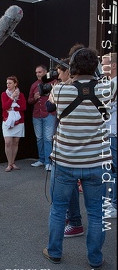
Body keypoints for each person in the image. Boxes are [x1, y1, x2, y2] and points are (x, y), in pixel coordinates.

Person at [42, 45, 113, 270]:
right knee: (96, 212)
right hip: (96, 163)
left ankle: (54, 252)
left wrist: (69, 80)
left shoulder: (60, 90)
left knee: (58, 209)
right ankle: (95, 258)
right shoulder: (107, 90)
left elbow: (48, 106)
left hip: (65, 163)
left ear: (72, 68)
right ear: (96, 67)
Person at [48, 58, 84, 237]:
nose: (57, 75)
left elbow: (48, 107)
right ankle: (74, 219)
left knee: (58, 197)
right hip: (83, 152)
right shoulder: (94, 89)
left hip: (66, 152)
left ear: (68, 72)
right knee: (91, 207)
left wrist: (55, 90)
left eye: (60, 71)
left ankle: (73, 223)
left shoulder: (61, 90)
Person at [28, 64, 57, 171]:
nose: (38, 74)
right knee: (39, 138)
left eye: (39, 72)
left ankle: (48, 162)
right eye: (36, 72)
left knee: (48, 138)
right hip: (36, 115)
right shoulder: (34, 85)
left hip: (49, 114)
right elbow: (29, 100)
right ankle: (41, 159)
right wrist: (34, 98)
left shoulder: (52, 83)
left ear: (45, 72)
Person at [101, 52, 117, 219]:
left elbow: (105, 108)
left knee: (113, 170)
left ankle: (113, 204)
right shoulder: (110, 83)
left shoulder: (113, 84)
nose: (101, 67)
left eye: (104, 63)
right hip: (111, 131)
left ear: (113, 65)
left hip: (113, 132)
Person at [1, 76, 26, 172]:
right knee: (8, 142)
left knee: (15, 143)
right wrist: (12, 98)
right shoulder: (4, 94)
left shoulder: (21, 95)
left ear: (15, 84)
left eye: (10, 83)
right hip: (7, 121)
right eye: (7, 83)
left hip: (19, 122)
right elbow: (4, 106)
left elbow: (23, 107)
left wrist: (13, 108)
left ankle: (12, 162)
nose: (8, 85)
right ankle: (9, 164)